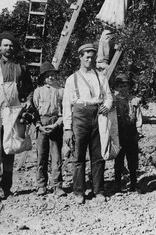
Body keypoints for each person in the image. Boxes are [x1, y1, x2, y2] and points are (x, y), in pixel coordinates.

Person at [0, 31, 34, 204]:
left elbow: (29, 90)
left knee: (10, 148)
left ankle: (7, 188)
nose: (8, 48)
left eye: (11, 45)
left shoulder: (21, 67)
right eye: (5, 45)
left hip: (14, 113)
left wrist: (29, 101)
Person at [62, 43, 113, 204]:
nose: (89, 60)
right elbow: (66, 106)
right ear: (80, 58)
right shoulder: (72, 79)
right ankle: (79, 191)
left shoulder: (101, 77)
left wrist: (107, 106)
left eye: (92, 57)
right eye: (87, 57)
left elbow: (109, 97)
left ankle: (98, 190)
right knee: (78, 157)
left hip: (97, 116)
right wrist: (68, 128)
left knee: (98, 156)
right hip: (80, 116)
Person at [33, 62, 65, 197]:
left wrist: (57, 124)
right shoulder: (38, 91)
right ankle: (41, 185)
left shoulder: (61, 91)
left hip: (55, 123)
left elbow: (64, 112)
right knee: (41, 156)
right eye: (48, 76)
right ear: (43, 78)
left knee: (56, 156)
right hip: (42, 123)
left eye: (53, 75)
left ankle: (57, 185)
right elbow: (34, 111)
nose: (51, 78)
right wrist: (39, 125)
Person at [112, 74, 143, 192]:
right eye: (120, 86)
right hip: (118, 133)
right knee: (118, 159)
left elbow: (138, 116)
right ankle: (118, 185)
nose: (123, 89)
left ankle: (134, 183)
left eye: (125, 86)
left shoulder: (133, 100)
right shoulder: (113, 100)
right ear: (116, 87)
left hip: (131, 132)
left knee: (132, 159)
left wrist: (139, 130)